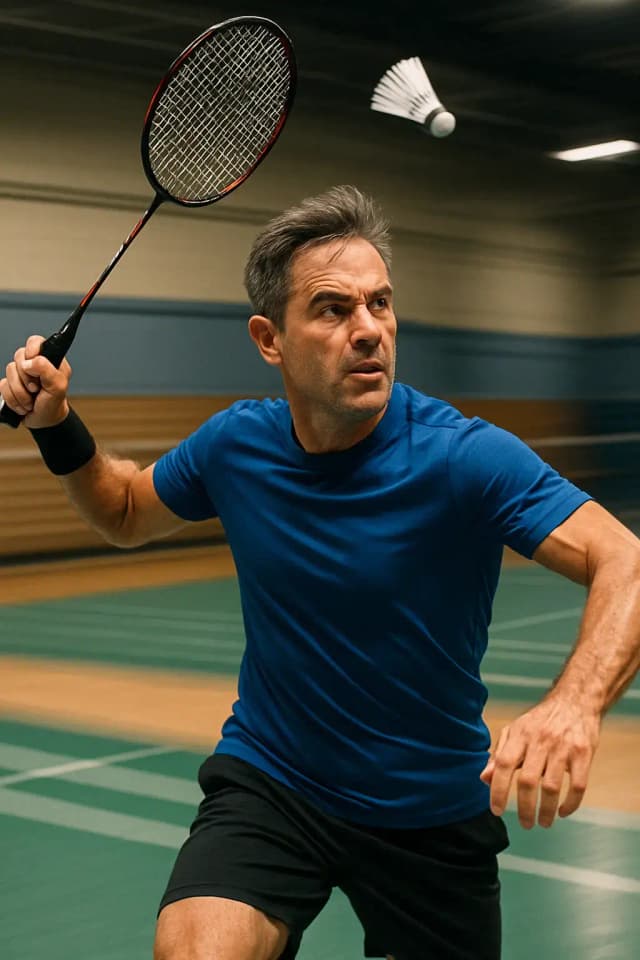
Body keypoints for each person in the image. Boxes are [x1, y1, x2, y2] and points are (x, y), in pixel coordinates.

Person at [2, 185, 640, 960]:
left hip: (429, 810)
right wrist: (57, 425)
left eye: (380, 303)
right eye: (334, 310)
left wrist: (575, 706)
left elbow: (626, 560)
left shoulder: (464, 457)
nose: (368, 330)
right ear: (270, 340)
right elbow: (127, 511)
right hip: (276, 783)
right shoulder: (236, 446)